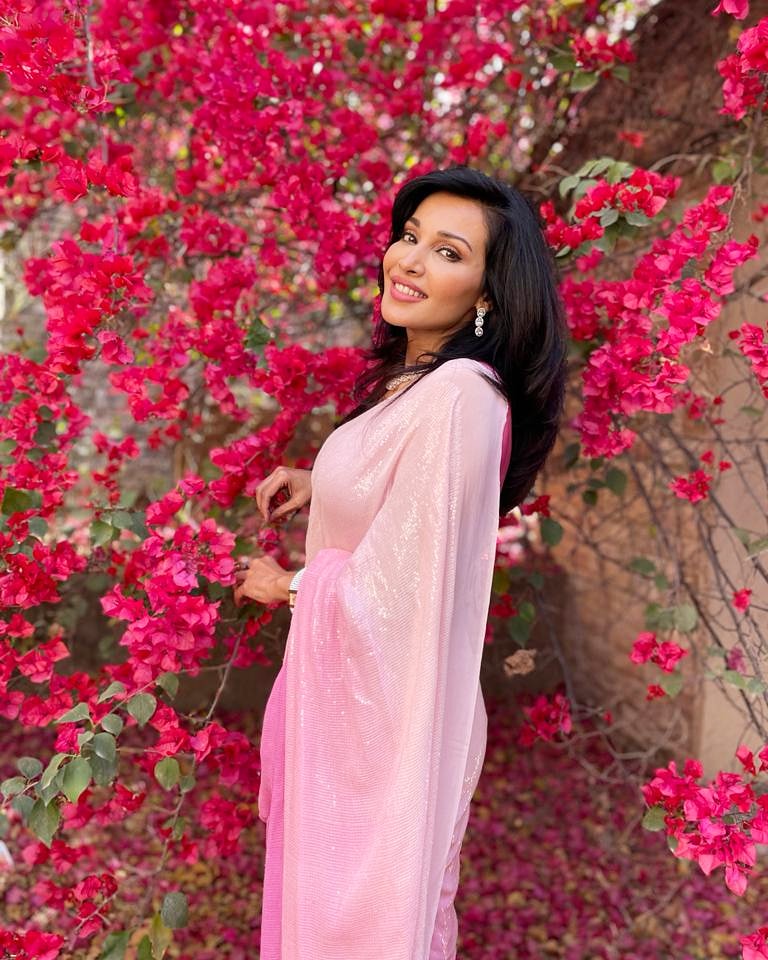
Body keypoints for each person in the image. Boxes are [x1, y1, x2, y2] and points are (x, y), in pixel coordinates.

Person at [233, 165, 568, 959]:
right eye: (410, 237)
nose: (408, 260)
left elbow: (406, 588)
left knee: (363, 928)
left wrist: (289, 586)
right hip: (354, 715)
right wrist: (325, 483)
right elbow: (407, 504)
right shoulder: (413, 386)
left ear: (487, 292)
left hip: (388, 731)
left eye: (447, 252)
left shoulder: (462, 396)